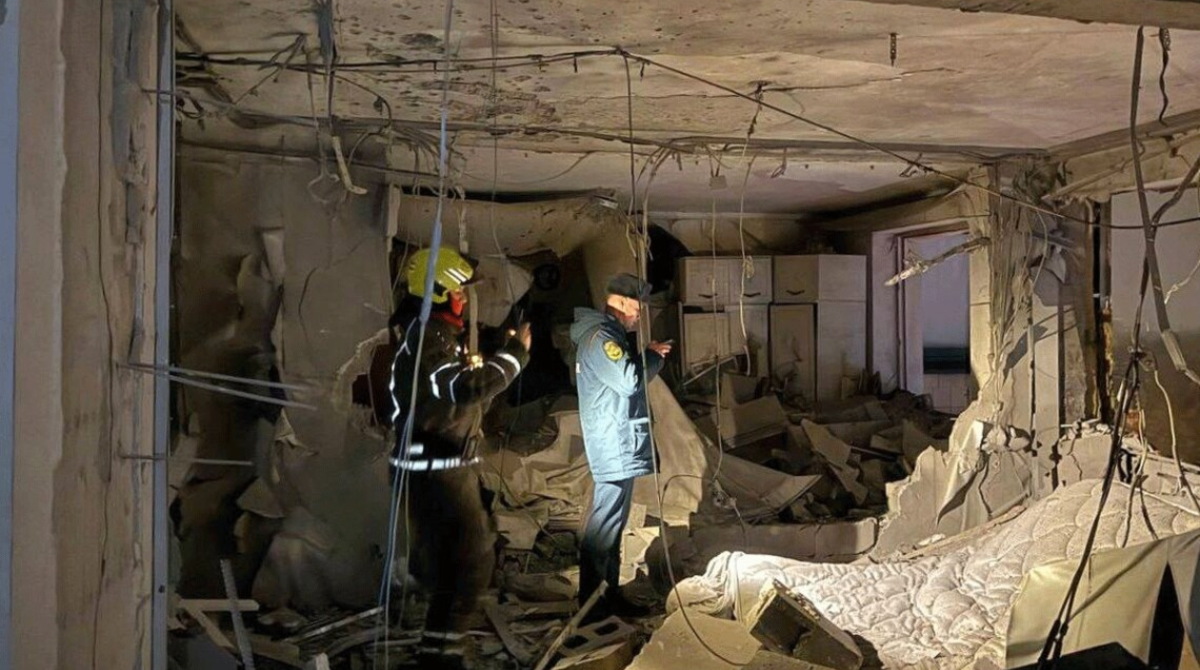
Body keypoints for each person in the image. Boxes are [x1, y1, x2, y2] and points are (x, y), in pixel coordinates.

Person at [387, 247, 531, 669]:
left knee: (453, 568)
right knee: (471, 562)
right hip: (436, 470)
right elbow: (461, 389)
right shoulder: (428, 337)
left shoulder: (432, 336)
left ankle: (437, 654)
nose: (464, 299)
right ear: (436, 292)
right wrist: (514, 357)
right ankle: (442, 659)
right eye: (457, 291)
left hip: (439, 466)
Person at [569, 273, 672, 619]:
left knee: (611, 526)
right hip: (614, 443)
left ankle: (607, 597)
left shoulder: (606, 335)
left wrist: (645, 355)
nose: (639, 316)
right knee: (604, 527)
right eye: (638, 309)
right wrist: (651, 357)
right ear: (623, 302)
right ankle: (593, 606)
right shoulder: (601, 338)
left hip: (616, 441)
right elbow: (628, 381)